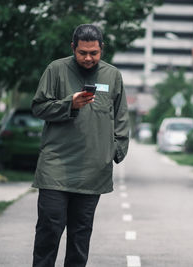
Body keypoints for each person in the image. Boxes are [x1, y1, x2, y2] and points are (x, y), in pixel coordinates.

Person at [31, 24, 129, 267]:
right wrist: (69, 105)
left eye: (94, 53)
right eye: (82, 52)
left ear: (102, 49)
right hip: (56, 167)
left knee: (79, 238)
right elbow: (39, 107)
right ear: (72, 47)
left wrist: (114, 152)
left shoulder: (112, 75)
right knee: (48, 233)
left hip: (92, 172)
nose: (88, 58)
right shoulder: (56, 69)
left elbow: (121, 118)